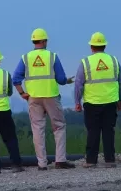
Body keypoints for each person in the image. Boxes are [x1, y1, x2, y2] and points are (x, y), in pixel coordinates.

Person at [12, 28, 76, 170]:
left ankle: (41, 163)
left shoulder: (25, 58)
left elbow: (15, 79)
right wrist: (67, 81)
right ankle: (60, 160)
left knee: (37, 129)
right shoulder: (52, 56)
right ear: (43, 41)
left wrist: (22, 93)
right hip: (51, 96)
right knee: (58, 126)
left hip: (33, 97)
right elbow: (60, 79)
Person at [74, 32, 121, 168]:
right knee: (109, 131)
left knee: (93, 131)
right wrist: (120, 100)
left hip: (92, 103)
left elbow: (78, 84)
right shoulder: (114, 61)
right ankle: (110, 160)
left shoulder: (85, 62)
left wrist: (77, 102)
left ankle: (91, 161)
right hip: (110, 102)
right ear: (105, 46)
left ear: (91, 47)